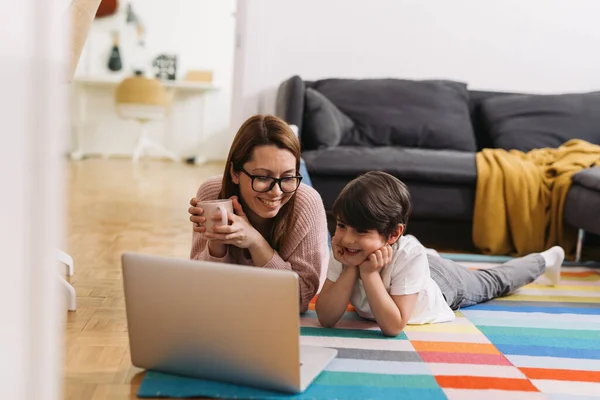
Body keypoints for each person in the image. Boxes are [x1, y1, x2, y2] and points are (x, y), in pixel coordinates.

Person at [315, 171, 564, 337]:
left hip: (441, 284)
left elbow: (393, 327)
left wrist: (369, 274)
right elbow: (326, 318)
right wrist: (350, 267)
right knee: (415, 257)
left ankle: (546, 258)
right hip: (411, 265)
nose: (347, 238)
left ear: (393, 234)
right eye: (341, 225)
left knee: (493, 282)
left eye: (361, 231)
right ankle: (429, 254)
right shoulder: (345, 249)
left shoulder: (406, 255)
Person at [188, 115, 329, 313]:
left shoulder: (307, 203)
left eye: (288, 176)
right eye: (263, 177)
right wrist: (217, 241)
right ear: (234, 173)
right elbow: (202, 292)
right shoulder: (213, 194)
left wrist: (255, 240)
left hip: (307, 222)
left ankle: (296, 165)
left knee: (304, 193)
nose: (276, 191)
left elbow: (299, 301)